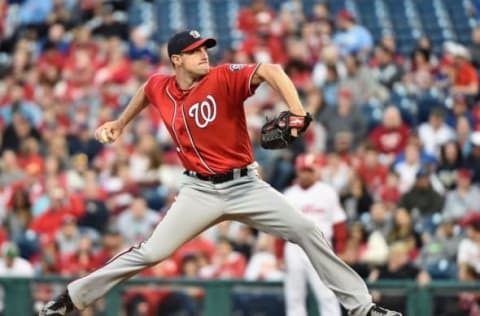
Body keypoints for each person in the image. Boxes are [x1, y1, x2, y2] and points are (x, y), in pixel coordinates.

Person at [40, 29, 401, 316]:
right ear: (177, 60)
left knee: (308, 230)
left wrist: (296, 109)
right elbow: (146, 91)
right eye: (196, 50)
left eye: (205, 48)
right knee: (150, 253)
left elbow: (271, 70)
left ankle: (362, 307)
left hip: (244, 184)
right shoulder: (160, 86)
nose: (204, 54)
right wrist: (119, 123)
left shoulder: (223, 78)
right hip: (198, 192)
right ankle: (72, 298)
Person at [283, 154, 347, 316]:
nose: (305, 174)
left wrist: (341, 250)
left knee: (327, 294)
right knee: (294, 296)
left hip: (320, 247)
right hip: (294, 248)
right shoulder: (289, 194)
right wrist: (278, 254)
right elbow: (280, 226)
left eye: (308, 170)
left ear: (315, 171)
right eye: (302, 170)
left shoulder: (327, 192)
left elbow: (338, 223)